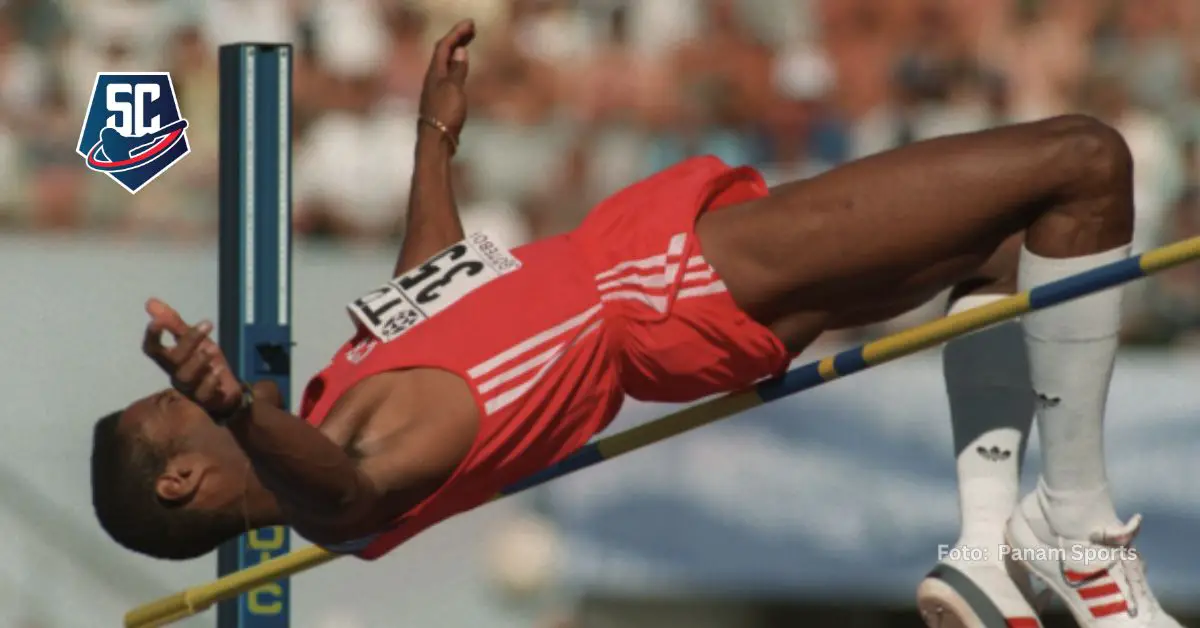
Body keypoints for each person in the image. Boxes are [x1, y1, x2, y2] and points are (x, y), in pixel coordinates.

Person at [91, 20, 1179, 627]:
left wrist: (434, 139)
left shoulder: (337, 399)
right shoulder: (330, 486)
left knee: (1009, 244)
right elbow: (344, 491)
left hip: (661, 274)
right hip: (667, 288)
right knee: (1083, 159)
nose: (205, 377)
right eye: (178, 402)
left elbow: (441, 284)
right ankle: (1074, 523)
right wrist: (231, 401)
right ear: (184, 478)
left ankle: (991, 550)